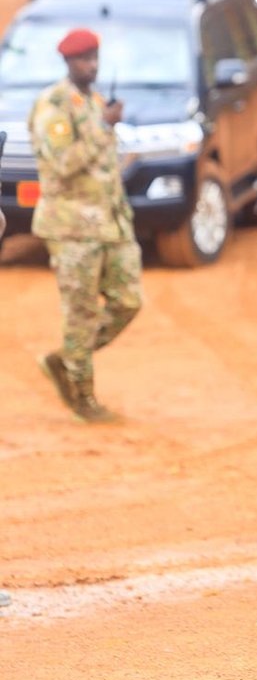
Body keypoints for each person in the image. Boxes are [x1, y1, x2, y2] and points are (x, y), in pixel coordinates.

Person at [29, 28, 143, 423]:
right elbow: (62, 163)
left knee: (129, 301)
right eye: (83, 59)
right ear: (67, 61)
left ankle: (65, 359)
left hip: (110, 225)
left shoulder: (94, 103)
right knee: (80, 314)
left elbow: (105, 169)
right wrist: (103, 127)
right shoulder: (53, 105)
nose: (91, 65)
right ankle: (83, 397)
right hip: (71, 229)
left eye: (95, 58)